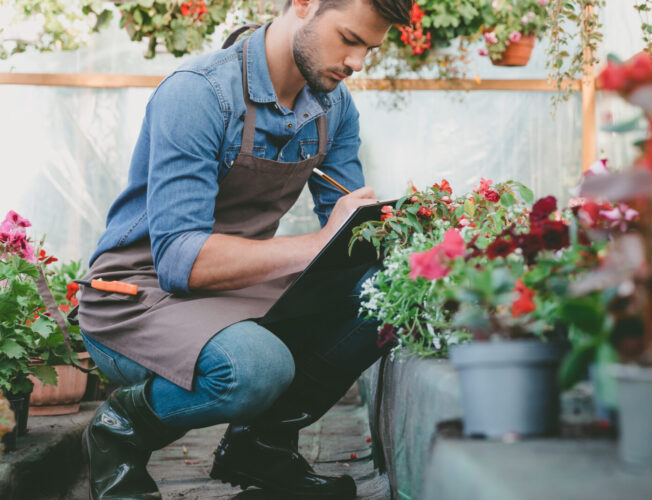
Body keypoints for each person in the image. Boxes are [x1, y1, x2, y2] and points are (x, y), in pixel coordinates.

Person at [76, 0, 410, 497]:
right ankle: (122, 428)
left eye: (370, 48)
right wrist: (320, 241)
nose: (358, 61)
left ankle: (261, 447)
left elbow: (351, 242)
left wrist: (418, 242)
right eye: (349, 39)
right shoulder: (198, 93)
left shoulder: (333, 107)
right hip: (136, 297)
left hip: (232, 291)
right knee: (254, 367)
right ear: (302, 5)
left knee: (384, 294)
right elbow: (180, 260)